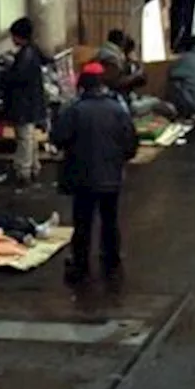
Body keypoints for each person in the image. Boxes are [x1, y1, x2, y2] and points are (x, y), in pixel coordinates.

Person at [50, 62, 138, 287]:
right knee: (110, 219)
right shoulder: (118, 110)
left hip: (82, 177)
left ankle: (80, 263)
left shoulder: (74, 110)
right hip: (111, 176)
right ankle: (111, 259)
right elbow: (130, 146)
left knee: (83, 222)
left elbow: (58, 137)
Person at [1, 17, 48, 185]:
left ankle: (24, 171)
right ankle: (33, 167)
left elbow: (17, 78)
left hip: (24, 103)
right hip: (32, 101)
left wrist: (5, 72)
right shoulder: (33, 51)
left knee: (24, 138)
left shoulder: (25, 55)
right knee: (29, 137)